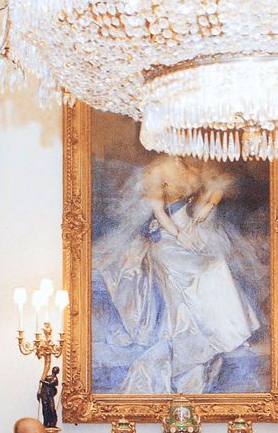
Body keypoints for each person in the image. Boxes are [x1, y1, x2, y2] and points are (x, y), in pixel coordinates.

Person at [92, 155, 266, 394]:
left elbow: (219, 187)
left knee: (216, 265)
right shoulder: (155, 173)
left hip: (195, 230)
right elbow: (160, 214)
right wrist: (179, 235)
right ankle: (199, 332)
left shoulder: (196, 165)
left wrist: (208, 206)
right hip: (168, 235)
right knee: (190, 270)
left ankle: (229, 330)